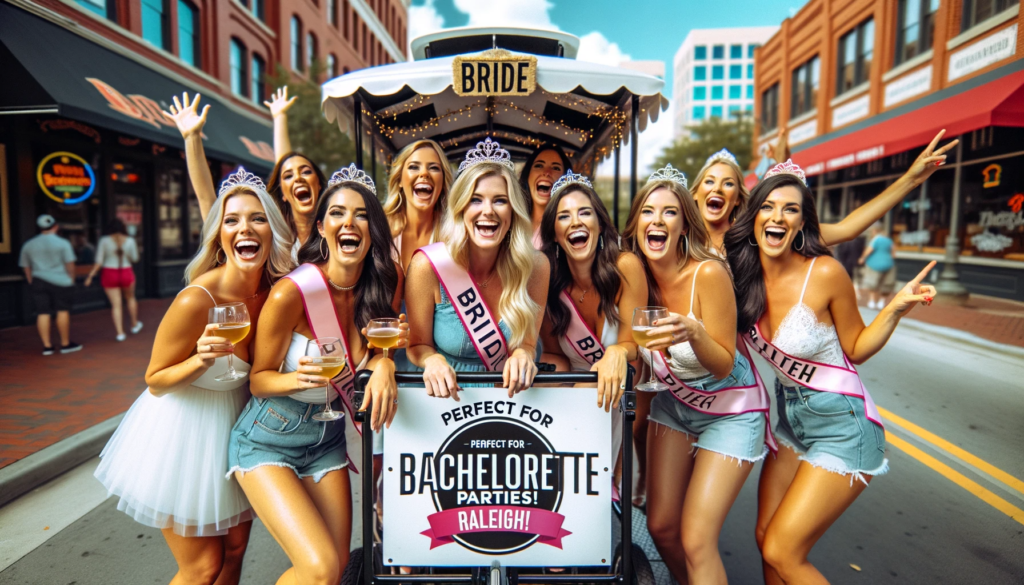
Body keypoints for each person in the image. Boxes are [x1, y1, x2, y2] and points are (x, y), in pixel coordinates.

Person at [724, 161, 936, 584]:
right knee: (765, 537)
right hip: (791, 422)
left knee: (783, 551)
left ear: (803, 222)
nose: (777, 217)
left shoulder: (824, 273)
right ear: (754, 217)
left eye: (790, 209)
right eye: (768, 206)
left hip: (844, 427)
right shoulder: (739, 274)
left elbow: (855, 348)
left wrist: (894, 308)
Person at [95, 167, 295, 585]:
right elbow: (155, 379)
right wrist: (199, 360)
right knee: (202, 567)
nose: (246, 228)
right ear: (220, 236)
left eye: (258, 218)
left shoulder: (276, 291)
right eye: (232, 219)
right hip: (184, 435)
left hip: (239, 432)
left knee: (235, 552)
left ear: (273, 230)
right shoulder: (196, 299)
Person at [229, 165, 404, 585]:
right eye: (339, 214)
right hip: (268, 439)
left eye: (361, 214)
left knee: (339, 569)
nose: (349, 223)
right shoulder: (293, 292)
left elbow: (380, 348)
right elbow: (259, 380)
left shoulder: (380, 285)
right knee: (319, 569)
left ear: (372, 229)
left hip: (326, 443)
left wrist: (383, 363)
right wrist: (299, 380)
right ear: (322, 227)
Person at [622, 166, 772, 584]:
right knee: (662, 528)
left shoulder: (708, 273)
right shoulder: (637, 277)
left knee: (696, 538)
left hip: (732, 409)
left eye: (669, 213)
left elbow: (724, 361)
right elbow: (629, 344)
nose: (657, 221)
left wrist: (694, 330)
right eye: (648, 212)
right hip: (675, 406)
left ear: (684, 224)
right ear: (636, 225)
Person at [406, 138, 549, 397]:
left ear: (513, 210)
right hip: (448, 402)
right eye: (475, 200)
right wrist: (432, 360)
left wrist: (523, 354)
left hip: (513, 402)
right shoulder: (427, 266)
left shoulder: (536, 266)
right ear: (460, 208)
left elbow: (527, 343)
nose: (488, 211)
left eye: (500, 201)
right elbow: (417, 345)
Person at [536, 171, 648, 497]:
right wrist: (546, 391)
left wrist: (615, 353)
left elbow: (633, 344)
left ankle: (607, 484)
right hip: (576, 390)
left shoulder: (624, 266)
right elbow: (556, 355)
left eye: (585, 212)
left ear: (600, 224)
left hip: (617, 388)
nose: (576, 222)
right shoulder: (549, 280)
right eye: (564, 216)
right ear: (554, 234)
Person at [691, 130, 958, 253]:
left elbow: (847, 229)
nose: (717, 188)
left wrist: (910, 180)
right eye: (709, 181)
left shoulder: (751, 235)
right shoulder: (678, 235)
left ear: (738, 196)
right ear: (695, 193)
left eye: (728, 183)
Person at [164, 91, 323, 259]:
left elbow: (285, 164)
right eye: (288, 176)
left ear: (319, 183)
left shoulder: (333, 228)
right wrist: (192, 137)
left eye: (306, 171)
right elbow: (206, 200)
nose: (298, 178)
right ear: (282, 192)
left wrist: (280, 117)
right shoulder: (278, 236)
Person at [383, 139, 454, 271]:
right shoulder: (380, 229)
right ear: (399, 180)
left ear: (443, 182)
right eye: (414, 167)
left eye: (433, 168)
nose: (424, 174)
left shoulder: (455, 234)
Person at [19, 214, 81, 355]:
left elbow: (25, 266)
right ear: (55, 226)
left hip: (39, 280)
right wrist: (72, 279)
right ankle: (65, 344)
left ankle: (47, 346)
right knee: (62, 311)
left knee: (43, 312)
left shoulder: (28, 244)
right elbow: (70, 265)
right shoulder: (63, 243)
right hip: (61, 281)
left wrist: (30, 280)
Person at [85, 219, 143, 341]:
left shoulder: (104, 241)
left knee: (116, 305)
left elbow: (99, 261)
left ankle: (120, 333)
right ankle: (134, 324)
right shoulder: (130, 240)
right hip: (126, 271)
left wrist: (90, 276)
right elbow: (135, 258)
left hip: (109, 273)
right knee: (131, 298)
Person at [518, 143, 571, 249]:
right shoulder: (511, 221)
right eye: (539, 165)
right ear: (527, 176)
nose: (546, 172)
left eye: (556, 168)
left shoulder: (569, 226)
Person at [859, 222, 896, 309]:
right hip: (888, 264)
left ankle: (872, 301)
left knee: (872, 283)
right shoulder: (889, 240)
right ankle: (881, 302)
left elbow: (869, 250)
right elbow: (894, 254)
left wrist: (862, 258)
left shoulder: (876, 239)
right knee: (886, 284)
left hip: (874, 264)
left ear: (874, 231)